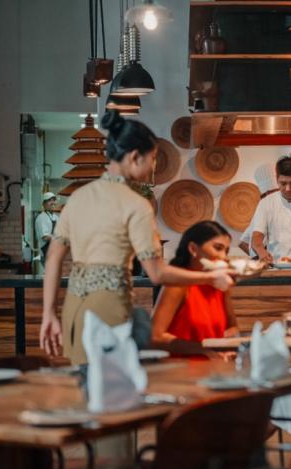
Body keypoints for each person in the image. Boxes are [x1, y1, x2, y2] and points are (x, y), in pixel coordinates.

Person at [40, 110, 235, 364]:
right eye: (152, 158)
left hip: (74, 309)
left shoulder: (78, 197)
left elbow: (53, 258)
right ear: (134, 157)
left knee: (87, 391)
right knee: (115, 394)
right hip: (108, 309)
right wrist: (210, 276)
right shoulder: (136, 205)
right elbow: (157, 274)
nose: (153, 166)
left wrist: (48, 313)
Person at [151, 221, 240, 360]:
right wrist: (204, 350)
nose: (223, 257)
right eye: (218, 248)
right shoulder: (177, 285)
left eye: (226, 251)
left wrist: (227, 346)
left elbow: (232, 328)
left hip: (215, 370)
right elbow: (155, 337)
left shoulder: (220, 284)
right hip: (180, 371)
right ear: (193, 249)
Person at [34, 191, 59, 268]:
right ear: (44, 204)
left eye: (53, 200)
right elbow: (45, 237)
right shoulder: (42, 218)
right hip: (46, 254)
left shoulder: (56, 217)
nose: (52, 202)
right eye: (49, 200)